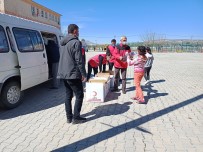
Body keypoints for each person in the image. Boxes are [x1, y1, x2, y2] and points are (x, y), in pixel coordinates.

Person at [58, 24, 87, 124]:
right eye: (78, 31)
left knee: (68, 95)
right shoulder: (76, 42)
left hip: (64, 73)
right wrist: (84, 74)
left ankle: (69, 117)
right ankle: (76, 118)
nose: (78, 32)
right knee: (79, 95)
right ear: (74, 31)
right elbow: (79, 60)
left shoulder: (62, 43)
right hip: (73, 73)